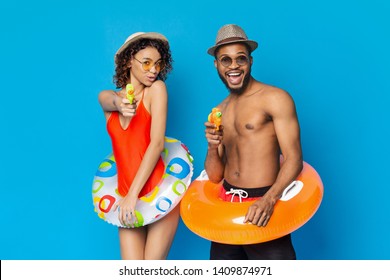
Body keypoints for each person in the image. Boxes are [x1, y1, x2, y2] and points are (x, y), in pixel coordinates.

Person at [204, 24, 303, 260]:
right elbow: (216, 176)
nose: (234, 65)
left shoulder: (275, 98)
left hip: (264, 206)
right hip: (227, 209)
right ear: (216, 65)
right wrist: (211, 146)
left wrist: (269, 200)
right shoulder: (219, 110)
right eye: (225, 60)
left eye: (241, 59)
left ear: (250, 61)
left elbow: (294, 159)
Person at [98, 32, 178, 260]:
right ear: (128, 61)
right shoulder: (110, 99)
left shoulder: (157, 90)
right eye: (146, 62)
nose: (154, 70)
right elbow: (106, 99)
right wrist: (120, 104)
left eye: (158, 64)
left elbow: (157, 144)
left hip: (158, 192)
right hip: (126, 197)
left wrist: (133, 195)